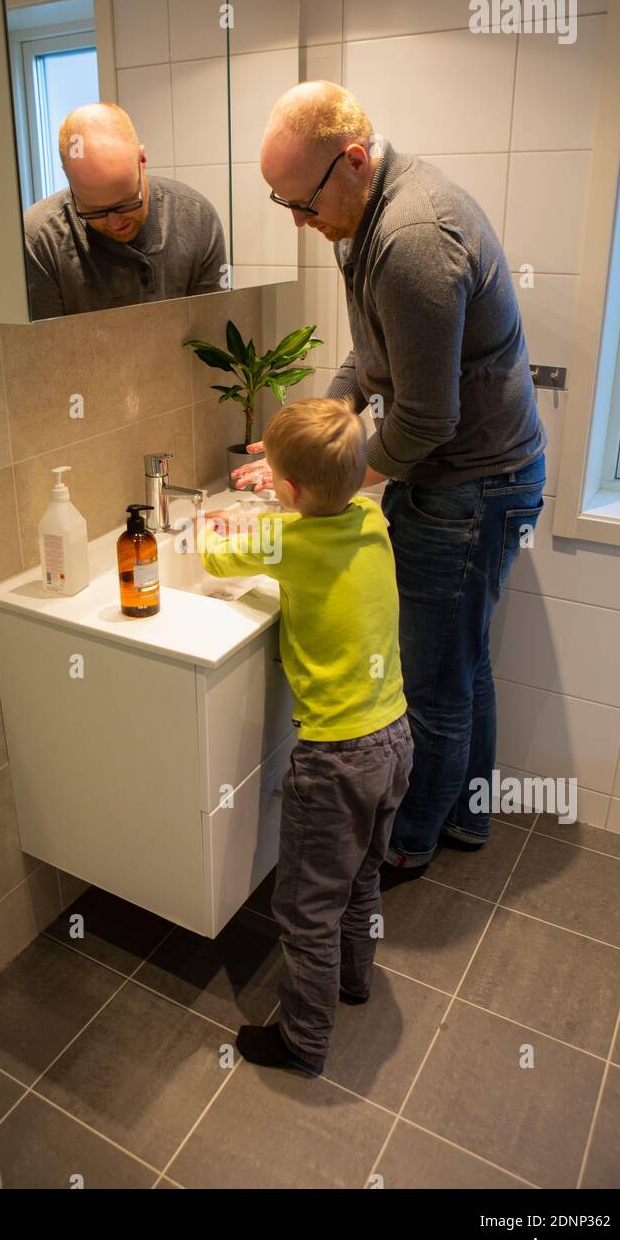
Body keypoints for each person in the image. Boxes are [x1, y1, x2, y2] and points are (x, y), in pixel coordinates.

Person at [235, 81, 546, 879]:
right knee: (462, 661)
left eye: (301, 202)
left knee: (436, 681)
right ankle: (468, 818)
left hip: (470, 484)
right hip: (479, 474)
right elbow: (371, 360)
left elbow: (425, 422)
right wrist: (314, 433)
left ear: (355, 160)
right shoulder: (358, 216)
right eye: (283, 205)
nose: (300, 222)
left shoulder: (410, 238)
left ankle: (408, 843)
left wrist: (327, 476)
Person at [198, 398, 413, 1076]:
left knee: (305, 907)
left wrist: (225, 520)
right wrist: (288, 489)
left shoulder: (289, 541)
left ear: (286, 491)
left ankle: (303, 1040)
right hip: (395, 736)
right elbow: (326, 501)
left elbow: (214, 555)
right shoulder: (373, 519)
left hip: (336, 760)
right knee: (361, 878)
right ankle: (354, 980)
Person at [24, 103, 227, 318]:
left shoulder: (196, 218)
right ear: (67, 176)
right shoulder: (40, 239)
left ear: (142, 160)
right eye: (94, 211)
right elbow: (44, 346)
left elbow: (213, 330)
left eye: (126, 204)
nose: (114, 222)